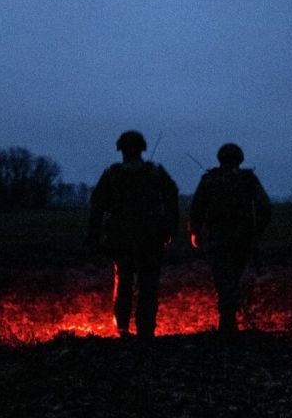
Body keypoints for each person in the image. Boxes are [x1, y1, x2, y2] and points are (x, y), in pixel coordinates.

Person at [87, 130, 179, 340]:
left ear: (120, 149)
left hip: (121, 238)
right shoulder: (154, 173)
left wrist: (95, 234)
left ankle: (122, 329)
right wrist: (169, 228)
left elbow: (97, 204)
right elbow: (172, 195)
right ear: (143, 148)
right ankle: (145, 330)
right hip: (150, 237)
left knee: (124, 282)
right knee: (148, 284)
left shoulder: (112, 174)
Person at [188, 143, 271, 337]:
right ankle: (230, 321)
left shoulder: (209, 180)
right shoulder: (248, 179)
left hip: (218, 239)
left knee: (223, 279)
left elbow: (196, 208)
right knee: (233, 277)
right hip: (242, 239)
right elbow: (265, 207)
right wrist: (255, 231)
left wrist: (195, 232)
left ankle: (228, 323)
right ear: (240, 159)